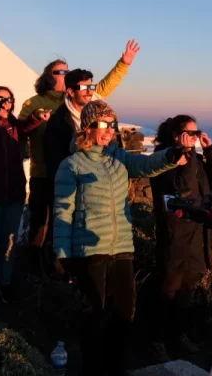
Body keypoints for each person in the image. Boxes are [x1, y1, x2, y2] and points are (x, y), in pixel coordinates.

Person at [53, 100, 188, 376]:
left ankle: (118, 365)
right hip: (90, 249)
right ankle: (94, 370)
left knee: (125, 310)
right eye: (101, 125)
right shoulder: (72, 164)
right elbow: (63, 211)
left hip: (122, 246)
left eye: (111, 125)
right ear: (87, 127)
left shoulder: (119, 158)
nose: (108, 131)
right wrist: (62, 255)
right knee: (95, 312)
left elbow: (146, 164)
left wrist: (172, 154)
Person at [20, 40, 140, 277]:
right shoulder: (35, 103)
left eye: (67, 70)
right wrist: (35, 118)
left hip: (77, 174)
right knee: (42, 225)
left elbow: (104, 85)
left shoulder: (86, 102)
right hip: (44, 172)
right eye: (59, 71)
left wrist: (123, 64)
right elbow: (21, 129)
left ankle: (66, 273)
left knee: (70, 224)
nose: (64, 74)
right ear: (48, 76)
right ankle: (37, 274)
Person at [148, 115, 212, 362]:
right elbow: (182, 187)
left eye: (197, 133)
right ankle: (156, 340)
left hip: (197, 231)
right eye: (190, 134)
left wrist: (211, 151)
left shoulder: (196, 158)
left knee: (186, 289)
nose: (194, 138)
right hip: (175, 232)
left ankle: (177, 336)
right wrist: (185, 154)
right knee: (168, 287)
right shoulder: (164, 159)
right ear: (176, 135)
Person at [0, 86, 49, 303]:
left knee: (9, 241)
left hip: (14, 194)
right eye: (1, 98)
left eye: (9, 98)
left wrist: (37, 117)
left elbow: (25, 127)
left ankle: (5, 283)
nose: (7, 102)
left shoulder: (13, 124)